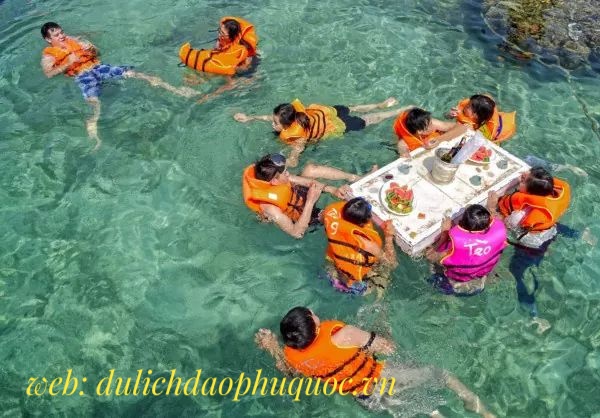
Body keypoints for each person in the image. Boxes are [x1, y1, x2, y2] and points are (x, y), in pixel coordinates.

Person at [255, 307, 496, 418]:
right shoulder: (343, 335)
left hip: (365, 399)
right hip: (384, 379)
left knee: (423, 410)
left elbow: (290, 373)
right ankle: (476, 406)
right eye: (312, 314)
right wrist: (382, 324)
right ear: (315, 327)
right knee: (440, 374)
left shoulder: (292, 356)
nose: (315, 313)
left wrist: (273, 348)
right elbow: (386, 347)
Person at [40, 22, 197, 150]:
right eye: (56, 35)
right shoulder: (48, 55)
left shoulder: (74, 40)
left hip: (98, 67)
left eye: (61, 32)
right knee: (95, 103)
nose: (62, 36)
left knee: (136, 74)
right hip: (83, 76)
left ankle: (177, 90)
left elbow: (97, 54)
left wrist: (92, 48)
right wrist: (68, 63)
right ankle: (94, 135)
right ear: (48, 39)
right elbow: (49, 74)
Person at [488, 167, 571, 316]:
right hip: (549, 230)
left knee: (516, 272)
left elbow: (504, 224)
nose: (522, 176)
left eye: (524, 180)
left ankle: (528, 304)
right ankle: (575, 234)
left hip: (532, 245)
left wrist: (491, 207)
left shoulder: (522, 213)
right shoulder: (552, 194)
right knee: (552, 228)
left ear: (530, 192)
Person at [234, 98, 411, 166]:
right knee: (353, 107)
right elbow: (269, 117)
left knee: (369, 120)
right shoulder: (295, 116)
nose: (272, 124)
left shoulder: (298, 138)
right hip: (326, 113)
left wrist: (278, 162)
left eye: (275, 123)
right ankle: (379, 104)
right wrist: (250, 117)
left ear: (287, 125)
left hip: (338, 125)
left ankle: (395, 112)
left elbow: (294, 160)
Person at [242, 153, 362, 239]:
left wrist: (333, 190)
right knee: (330, 214)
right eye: (285, 172)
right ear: (274, 181)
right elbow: (297, 233)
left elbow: (307, 182)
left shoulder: (280, 179)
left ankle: (357, 178)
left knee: (310, 169)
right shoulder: (271, 209)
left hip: (300, 197)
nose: (288, 174)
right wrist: (310, 201)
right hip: (301, 217)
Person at [322, 198, 398, 297]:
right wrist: (388, 237)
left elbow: (322, 217)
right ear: (364, 222)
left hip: (333, 274)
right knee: (384, 271)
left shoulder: (331, 220)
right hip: (354, 287)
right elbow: (391, 263)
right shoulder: (368, 245)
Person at [426, 205, 507, 296]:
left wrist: (444, 235)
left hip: (453, 284)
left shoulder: (455, 244)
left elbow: (430, 256)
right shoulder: (498, 234)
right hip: (481, 279)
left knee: (430, 254)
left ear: (462, 223)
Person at [179, 17, 258, 103]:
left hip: (245, 72)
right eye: (219, 30)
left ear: (232, 37)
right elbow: (214, 56)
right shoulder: (222, 41)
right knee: (193, 77)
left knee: (238, 82)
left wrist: (209, 96)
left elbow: (231, 83)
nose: (219, 34)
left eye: (222, 33)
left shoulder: (240, 53)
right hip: (228, 65)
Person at [393, 107, 469, 158]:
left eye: (431, 121)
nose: (433, 125)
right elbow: (405, 158)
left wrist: (439, 139)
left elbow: (463, 127)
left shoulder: (433, 123)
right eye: (429, 125)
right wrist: (405, 154)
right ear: (420, 131)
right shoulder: (403, 143)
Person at [447, 94, 516, 143]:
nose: (465, 106)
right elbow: (447, 117)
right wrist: (450, 115)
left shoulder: (476, 128)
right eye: (468, 103)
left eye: (468, 106)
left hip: (498, 132)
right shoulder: (466, 110)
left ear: (475, 115)